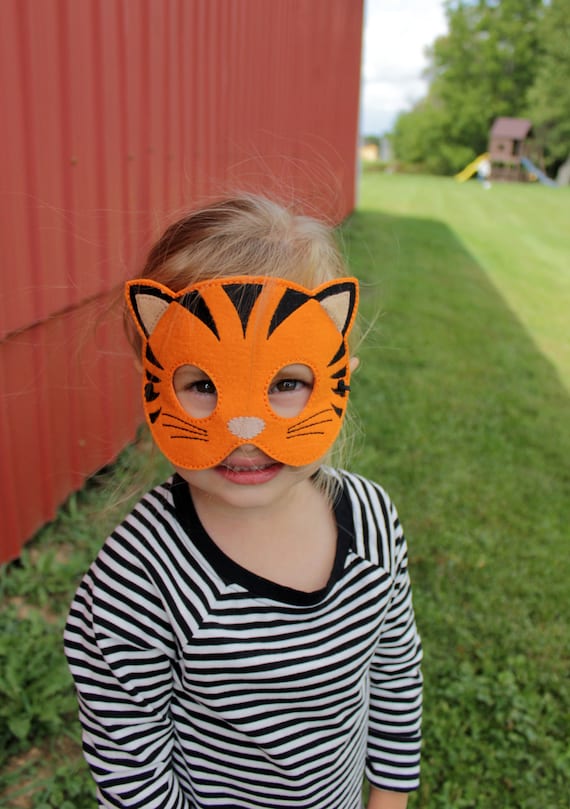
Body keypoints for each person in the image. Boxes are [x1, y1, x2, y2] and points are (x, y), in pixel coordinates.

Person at [64, 195, 423, 809]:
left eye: (287, 383)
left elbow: (394, 678)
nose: (247, 427)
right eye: (202, 384)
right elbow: (133, 773)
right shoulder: (139, 577)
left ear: (341, 376)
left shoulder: (371, 521)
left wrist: (388, 798)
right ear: (154, 379)